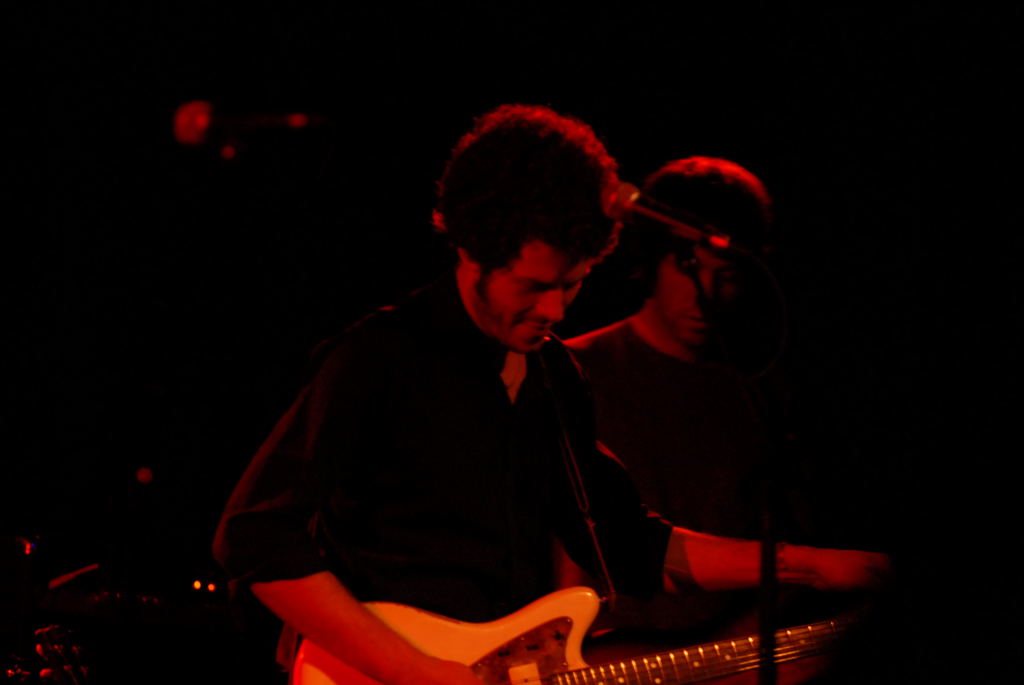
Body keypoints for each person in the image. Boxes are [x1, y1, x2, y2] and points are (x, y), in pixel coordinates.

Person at [212, 109, 888, 685]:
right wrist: (414, 670)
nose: (557, 309)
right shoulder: (380, 357)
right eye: (534, 286)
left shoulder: (554, 375)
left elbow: (629, 543)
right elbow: (253, 536)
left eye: (574, 283)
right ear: (472, 250)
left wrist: (814, 567)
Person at [564, 158, 878, 665]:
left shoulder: (762, 394)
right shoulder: (573, 371)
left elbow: (788, 553)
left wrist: (734, 656)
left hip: (731, 660)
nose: (704, 293)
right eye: (687, 267)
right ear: (652, 260)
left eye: (726, 274)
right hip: (606, 662)